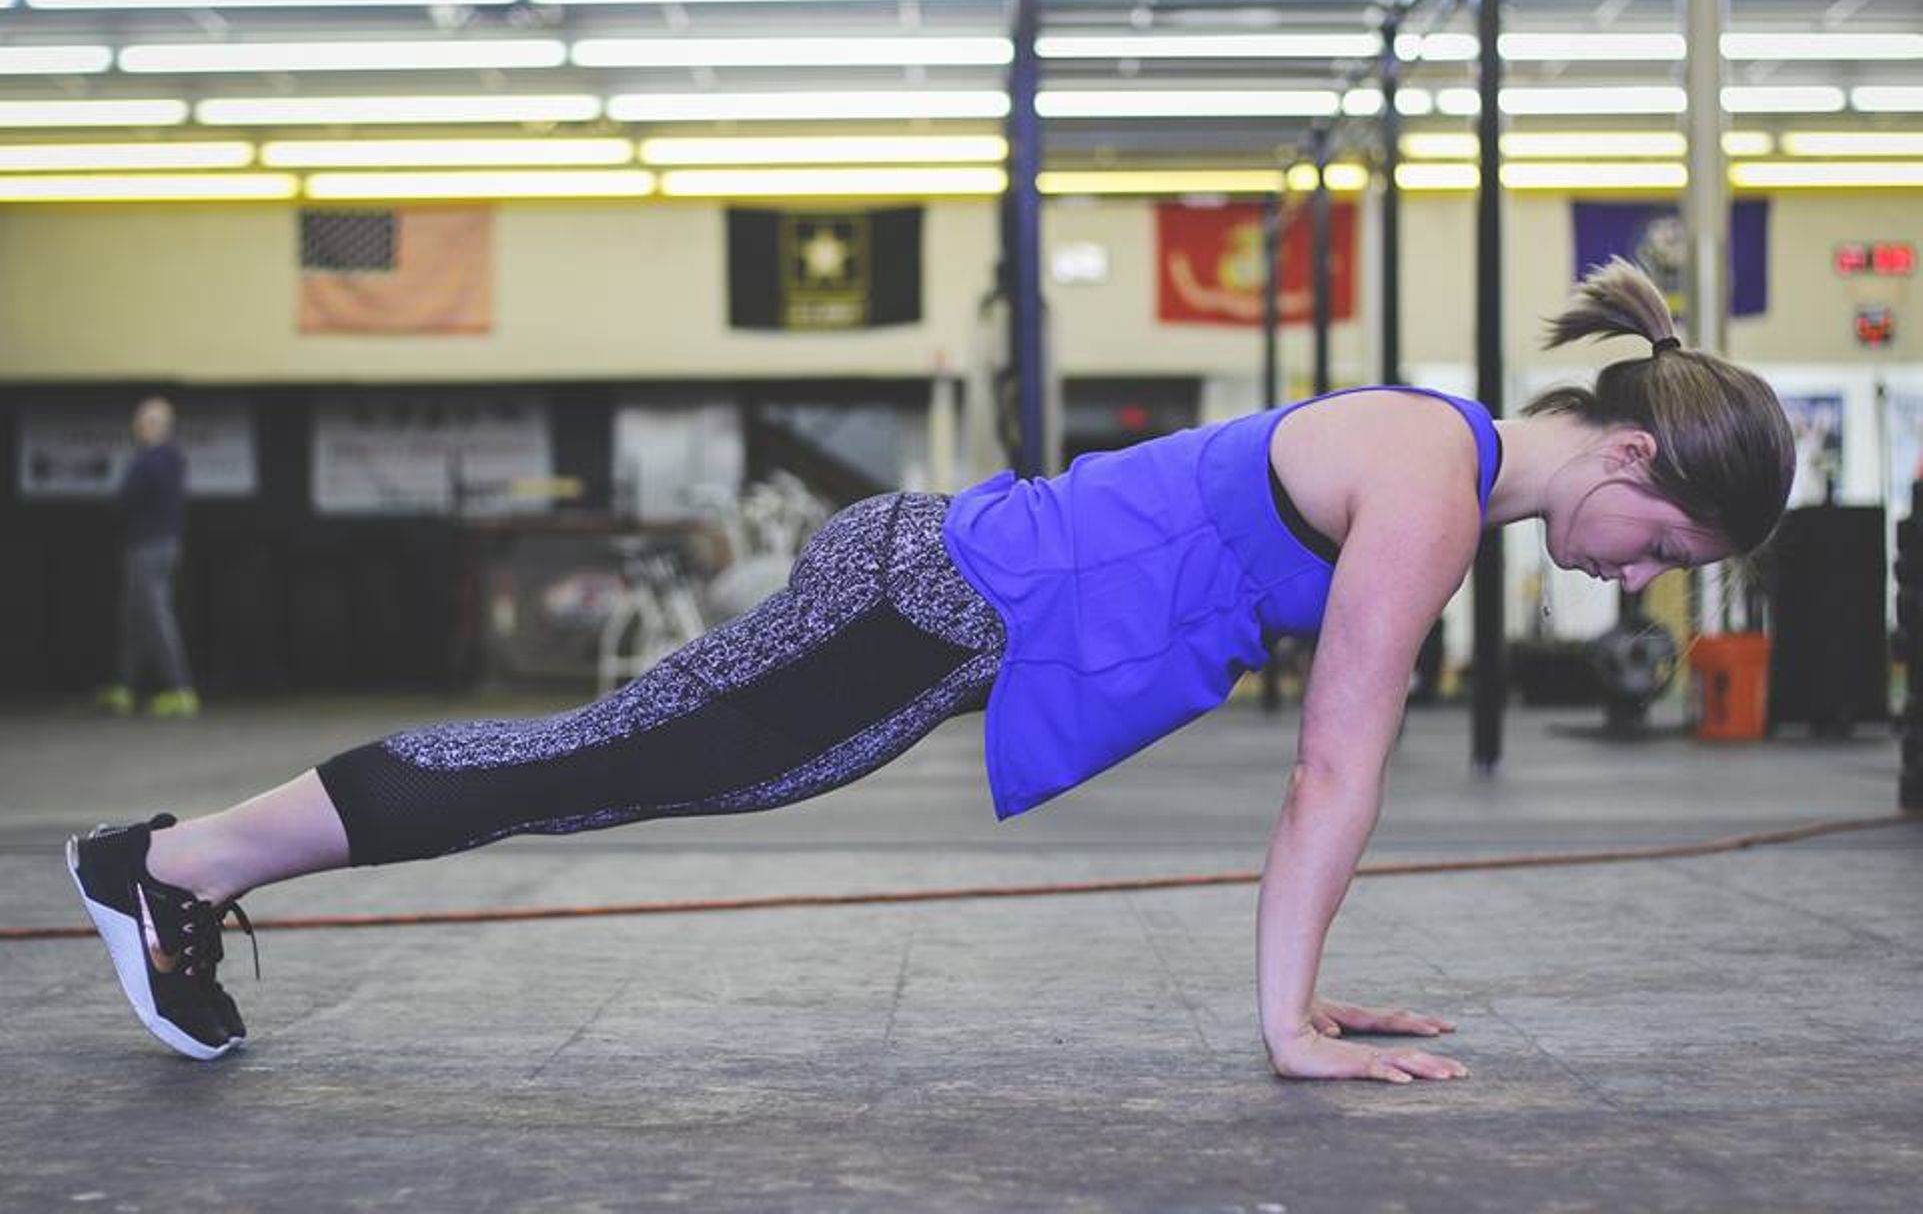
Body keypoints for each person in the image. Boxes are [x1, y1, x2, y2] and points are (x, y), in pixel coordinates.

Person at [68, 259, 1794, 1081]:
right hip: (932, 599)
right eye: (1657, 554)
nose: (1630, 582)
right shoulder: (1427, 483)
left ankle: (179, 865)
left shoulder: (1443, 461)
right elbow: (1333, 766)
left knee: (602, 760)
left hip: (932, 594)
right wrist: (1287, 1027)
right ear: (1635, 469)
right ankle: (173, 866)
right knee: (586, 761)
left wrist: (1300, 997)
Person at [94, 397, 199, 719]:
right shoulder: (172, 459)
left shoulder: (153, 460)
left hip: (150, 548)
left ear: (162, 426)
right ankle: (125, 687)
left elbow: (124, 500)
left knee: (154, 617)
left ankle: (180, 690)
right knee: (135, 617)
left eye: (147, 421)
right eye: (139, 420)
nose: (139, 426)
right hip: (159, 546)